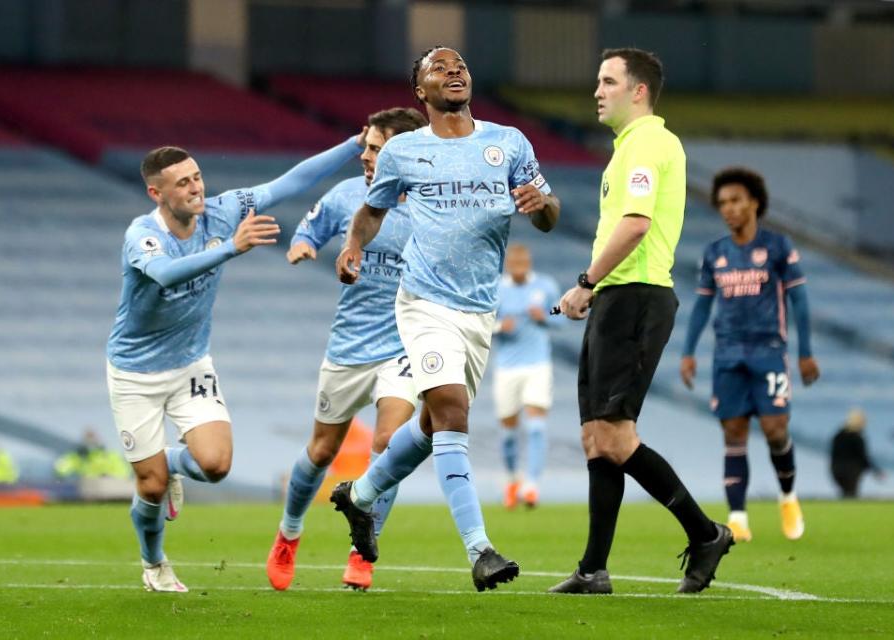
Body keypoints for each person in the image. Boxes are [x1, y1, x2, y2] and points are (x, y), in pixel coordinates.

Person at [330, 45, 560, 592]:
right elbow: (372, 209)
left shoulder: (507, 144)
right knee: (452, 413)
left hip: (479, 310)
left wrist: (539, 203)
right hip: (424, 302)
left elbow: (550, 215)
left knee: (432, 424)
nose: (454, 71)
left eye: (459, 65)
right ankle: (480, 550)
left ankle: (360, 496)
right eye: (439, 67)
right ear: (420, 91)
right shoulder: (405, 151)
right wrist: (352, 246)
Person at [106, 132, 365, 593]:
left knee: (215, 465)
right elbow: (165, 273)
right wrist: (230, 248)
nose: (195, 187)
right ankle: (155, 564)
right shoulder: (142, 235)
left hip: (189, 364)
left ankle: (165, 465)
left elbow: (289, 182)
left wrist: (353, 145)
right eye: (182, 183)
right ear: (157, 194)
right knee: (149, 488)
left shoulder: (223, 210)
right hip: (135, 372)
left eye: (197, 176)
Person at [554, 48, 731, 596]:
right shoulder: (629, 147)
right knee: (595, 438)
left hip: (636, 295)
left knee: (614, 434)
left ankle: (705, 534)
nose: (597, 91)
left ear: (638, 91)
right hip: (617, 297)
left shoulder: (649, 143)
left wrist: (585, 282)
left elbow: (634, 225)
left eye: (608, 81)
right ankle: (593, 570)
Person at [265, 107, 427, 592]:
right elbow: (308, 231)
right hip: (350, 344)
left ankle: (363, 551)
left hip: (403, 344)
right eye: (367, 146)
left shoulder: (430, 205)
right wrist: (305, 247)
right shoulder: (346, 197)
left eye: (375, 148)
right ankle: (289, 534)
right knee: (321, 451)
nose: (365, 155)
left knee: (387, 446)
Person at [680, 167, 820, 543]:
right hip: (727, 355)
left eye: (736, 200)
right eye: (723, 202)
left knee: (776, 431)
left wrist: (805, 352)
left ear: (754, 203)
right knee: (733, 432)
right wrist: (688, 352)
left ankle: (788, 497)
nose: (729, 209)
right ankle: (738, 516)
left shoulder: (777, 247)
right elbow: (701, 306)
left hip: (769, 351)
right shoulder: (714, 253)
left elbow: (800, 299)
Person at [493, 243, 562, 509]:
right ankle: (512, 479)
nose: (519, 266)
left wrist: (544, 315)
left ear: (529, 262)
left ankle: (532, 485)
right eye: (515, 262)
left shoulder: (545, 286)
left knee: (536, 426)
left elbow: (562, 315)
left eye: (524, 261)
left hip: (537, 365)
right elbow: (483, 322)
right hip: (507, 367)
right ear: (509, 264)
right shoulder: (497, 289)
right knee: (509, 432)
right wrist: (500, 326)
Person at [831, 408, 882, 498]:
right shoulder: (857, 438)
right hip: (852, 471)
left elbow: (833, 455)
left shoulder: (838, 436)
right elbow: (863, 457)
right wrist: (876, 470)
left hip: (836, 470)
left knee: (845, 494)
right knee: (851, 495)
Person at [54, 428, 130, 480]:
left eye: (92, 438)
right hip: (86, 490)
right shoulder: (77, 456)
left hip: (108, 489)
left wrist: (107, 476)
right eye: (88, 438)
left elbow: (123, 473)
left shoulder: (110, 455)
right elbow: (61, 469)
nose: (90, 442)